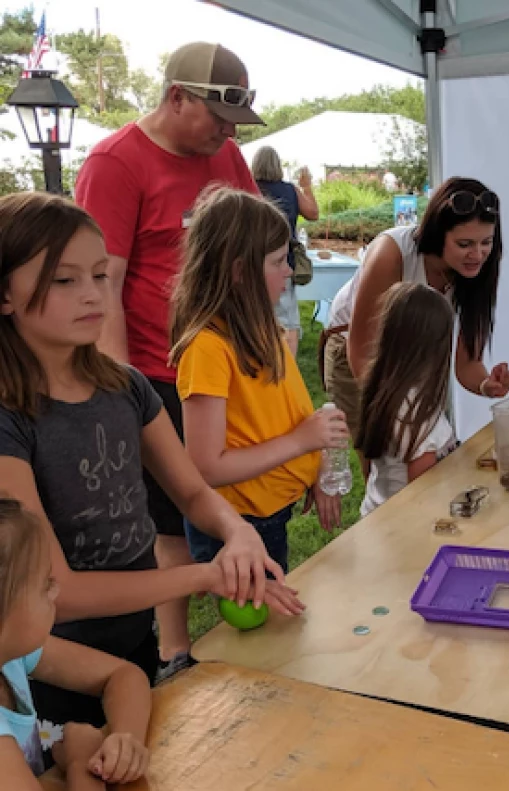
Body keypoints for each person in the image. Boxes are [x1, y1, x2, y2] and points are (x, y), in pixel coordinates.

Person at [0, 192, 300, 745]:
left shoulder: (126, 387)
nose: (93, 295)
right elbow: (52, 588)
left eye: (98, 274)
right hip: (47, 657)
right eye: (64, 281)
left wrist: (236, 533)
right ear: (5, 293)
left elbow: (191, 491)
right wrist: (206, 574)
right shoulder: (10, 416)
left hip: (134, 643)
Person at [75, 41, 264, 680]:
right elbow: (104, 286)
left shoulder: (228, 156)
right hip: (156, 371)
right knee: (170, 515)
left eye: (235, 125)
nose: (226, 135)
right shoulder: (116, 163)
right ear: (176, 96)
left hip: (227, 362)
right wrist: (123, 391)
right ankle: (173, 648)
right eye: (217, 117)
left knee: (226, 486)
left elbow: (252, 245)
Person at [169, 187, 348, 571]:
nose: (288, 271)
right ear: (239, 271)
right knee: (256, 625)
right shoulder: (207, 348)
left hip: (270, 512)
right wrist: (302, 442)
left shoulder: (262, 324)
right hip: (239, 525)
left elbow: (289, 410)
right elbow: (207, 468)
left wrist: (313, 463)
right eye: (279, 261)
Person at [322, 177, 509, 469]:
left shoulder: (479, 272)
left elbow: (467, 365)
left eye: (486, 242)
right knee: (383, 460)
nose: (477, 254)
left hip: (416, 351)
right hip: (357, 349)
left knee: (422, 457)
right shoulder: (391, 253)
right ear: (438, 235)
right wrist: (394, 412)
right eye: (465, 244)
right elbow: (361, 353)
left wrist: (487, 385)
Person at [0, 497, 152, 789]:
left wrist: (126, 738)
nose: (56, 592)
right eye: (45, 585)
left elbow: (123, 675)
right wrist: (80, 762)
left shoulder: (13, 656)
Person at [357, 283, 459, 516]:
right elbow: (423, 493)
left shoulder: (387, 387)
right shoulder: (417, 414)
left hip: (377, 515)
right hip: (403, 530)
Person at [251, 147, 320, 359]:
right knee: (287, 318)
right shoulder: (290, 190)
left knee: (254, 314)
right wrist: (307, 187)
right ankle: (288, 367)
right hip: (283, 259)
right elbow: (313, 214)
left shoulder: (249, 188)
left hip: (253, 260)